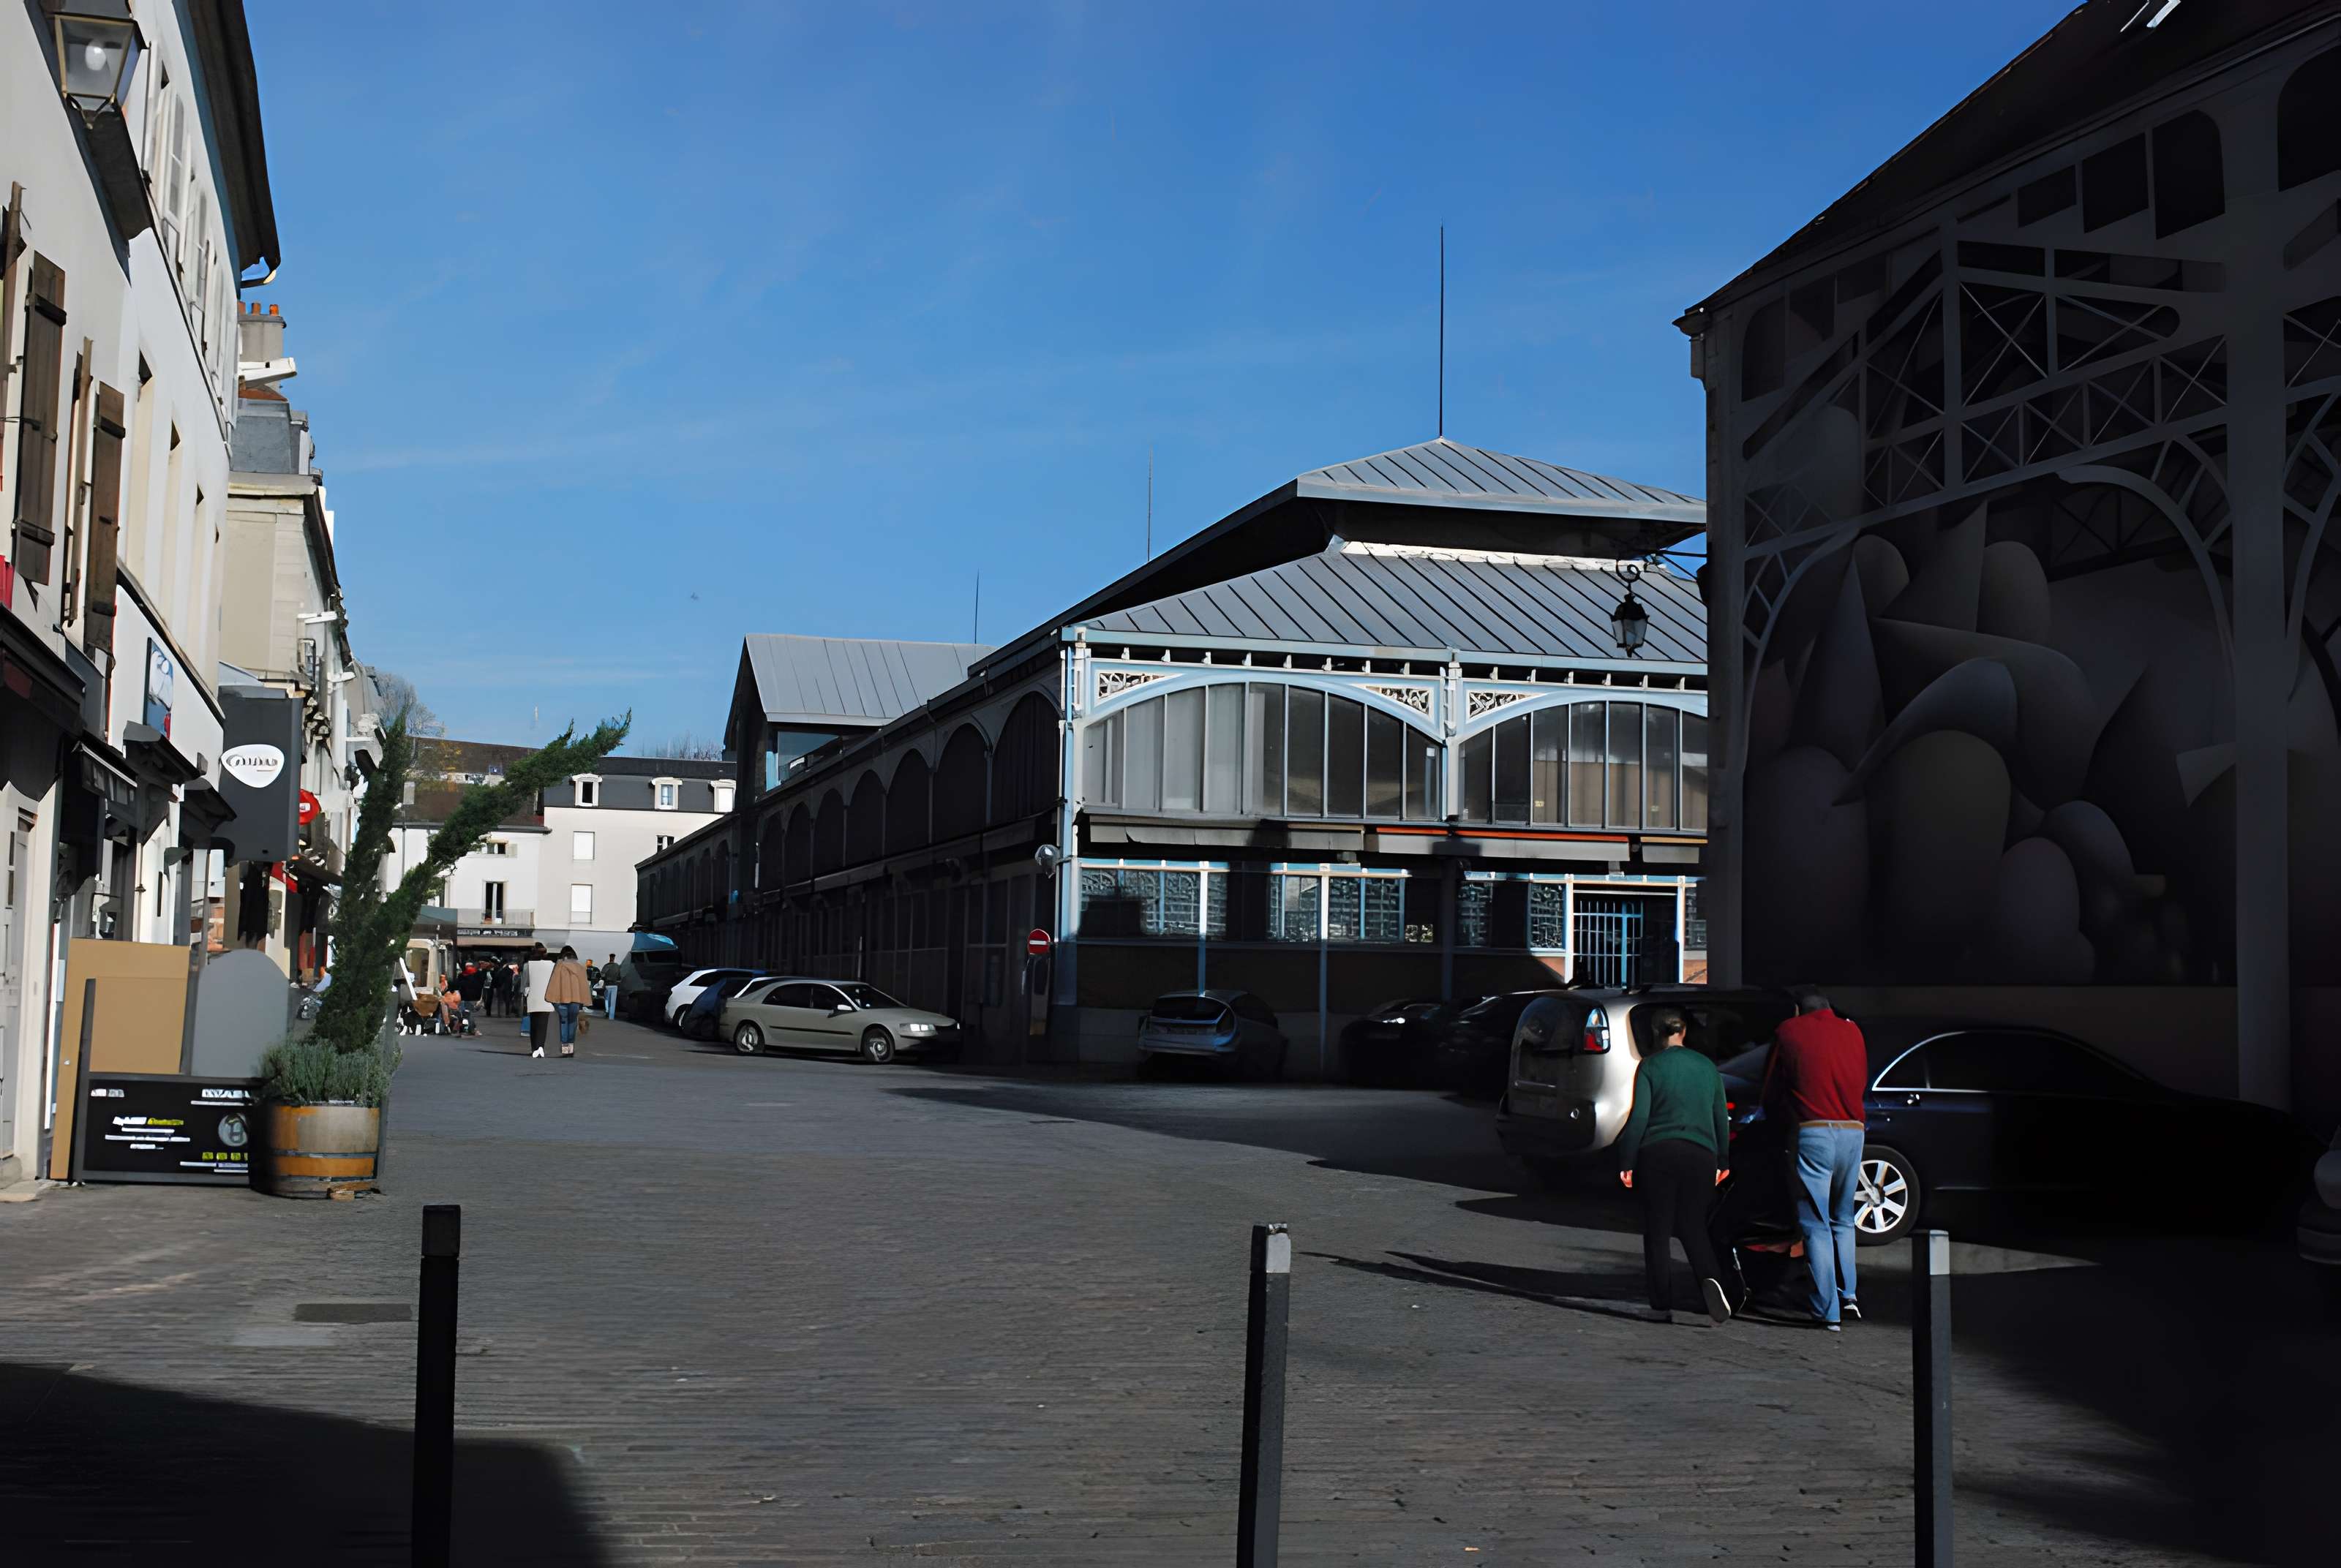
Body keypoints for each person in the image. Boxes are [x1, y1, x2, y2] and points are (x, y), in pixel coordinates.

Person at [1617, 1009, 1734, 1326]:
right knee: (1693, 1226)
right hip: (1701, 1154)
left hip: (1658, 1153)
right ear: (1684, 1032)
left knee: (1657, 1229)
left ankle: (1660, 1303)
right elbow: (1719, 1117)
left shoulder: (1650, 1067)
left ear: (1657, 1033)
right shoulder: (1707, 1067)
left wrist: (1627, 1160)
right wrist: (1723, 1159)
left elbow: (1639, 1117)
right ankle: (1711, 1280)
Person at [1762, 990, 1870, 1331]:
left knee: (1815, 1223)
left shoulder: (1788, 1030)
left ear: (1798, 1010)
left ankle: (1828, 1311)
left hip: (1814, 1132)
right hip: (1855, 1131)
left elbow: (1771, 1086)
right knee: (1844, 1218)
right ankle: (1849, 1295)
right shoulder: (1853, 1030)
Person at [546, 945, 594, 1058]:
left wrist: (551, 998)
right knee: (572, 1025)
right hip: (576, 1001)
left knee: (564, 1024)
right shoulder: (580, 969)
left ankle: (566, 1050)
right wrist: (585, 1001)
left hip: (562, 1000)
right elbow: (584, 986)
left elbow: (554, 984)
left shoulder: (559, 967)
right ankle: (570, 1050)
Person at [523, 943, 555, 1058]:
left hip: (533, 998)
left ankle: (534, 1048)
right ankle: (540, 1048)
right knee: (543, 1026)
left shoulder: (528, 966)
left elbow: (525, 984)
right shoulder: (552, 965)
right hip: (547, 998)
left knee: (534, 1025)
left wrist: (524, 994)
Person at [455, 962, 486, 1034]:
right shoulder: (478, 974)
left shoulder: (462, 975)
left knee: (468, 1013)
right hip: (472, 998)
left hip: (466, 998)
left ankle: (470, 1029)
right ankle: (471, 1029)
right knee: (469, 1013)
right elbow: (482, 984)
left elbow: (459, 985)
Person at [599, 953, 623, 1020]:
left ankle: (607, 1011)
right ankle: (611, 1016)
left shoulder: (606, 966)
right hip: (615, 985)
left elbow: (602, 976)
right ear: (614, 958)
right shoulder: (617, 966)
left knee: (607, 999)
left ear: (610, 958)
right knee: (613, 1002)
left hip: (608, 985)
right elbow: (619, 977)